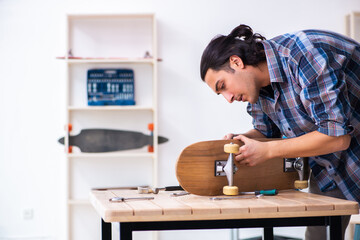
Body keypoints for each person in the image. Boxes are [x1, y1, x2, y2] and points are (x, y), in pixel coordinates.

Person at [200, 24, 360, 240]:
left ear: (236, 62)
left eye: (223, 86)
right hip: (332, 165)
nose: (228, 98)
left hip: (342, 147)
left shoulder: (304, 54)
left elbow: (337, 137)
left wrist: (267, 151)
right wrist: (244, 141)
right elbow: (265, 132)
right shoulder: (256, 89)